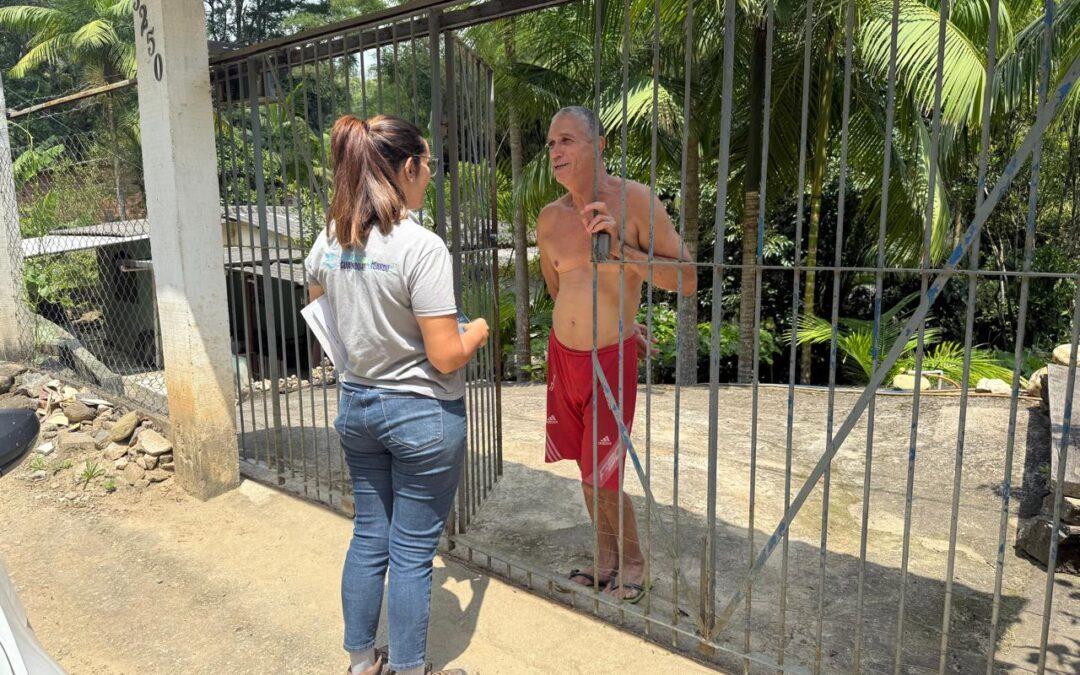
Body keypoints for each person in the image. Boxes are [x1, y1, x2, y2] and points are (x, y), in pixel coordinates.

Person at [305, 114, 488, 675]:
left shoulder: (333, 237)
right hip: (421, 415)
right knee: (411, 554)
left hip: (358, 407)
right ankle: (410, 669)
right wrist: (478, 331)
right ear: (407, 167)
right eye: (428, 163)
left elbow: (317, 302)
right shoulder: (421, 246)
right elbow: (445, 355)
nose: (431, 173)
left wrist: (363, 342)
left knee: (369, 537)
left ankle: (363, 663)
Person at [538, 106, 696, 602]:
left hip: (611, 358)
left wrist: (620, 251)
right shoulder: (550, 218)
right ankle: (605, 558)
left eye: (567, 140)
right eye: (551, 143)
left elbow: (687, 279)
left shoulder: (636, 201)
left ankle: (634, 562)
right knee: (586, 471)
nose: (556, 151)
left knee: (604, 471)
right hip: (564, 357)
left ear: (599, 145)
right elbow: (559, 288)